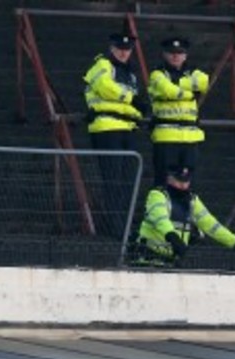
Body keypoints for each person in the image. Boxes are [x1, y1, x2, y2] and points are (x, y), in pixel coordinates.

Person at [83, 33, 146, 239]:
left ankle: (124, 227)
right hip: (107, 128)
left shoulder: (130, 73)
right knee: (113, 181)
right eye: (119, 48)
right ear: (111, 48)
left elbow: (129, 105)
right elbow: (104, 87)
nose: (123, 52)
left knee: (127, 182)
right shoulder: (102, 64)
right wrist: (132, 100)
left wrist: (141, 112)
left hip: (127, 129)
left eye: (127, 49)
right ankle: (116, 229)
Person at [135, 166, 235, 266]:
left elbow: (211, 226)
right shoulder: (157, 195)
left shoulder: (192, 200)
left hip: (171, 261)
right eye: (179, 181)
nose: (183, 185)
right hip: (147, 258)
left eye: (186, 181)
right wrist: (172, 237)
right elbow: (160, 219)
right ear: (169, 179)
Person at [148, 36, 209, 187]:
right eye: (171, 53)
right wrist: (190, 93)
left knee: (189, 186)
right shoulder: (157, 74)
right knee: (164, 183)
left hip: (190, 138)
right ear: (164, 54)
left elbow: (204, 82)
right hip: (166, 136)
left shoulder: (194, 72)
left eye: (179, 53)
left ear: (185, 55)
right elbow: (168, 91)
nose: (176, 56)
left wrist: (177, 83)